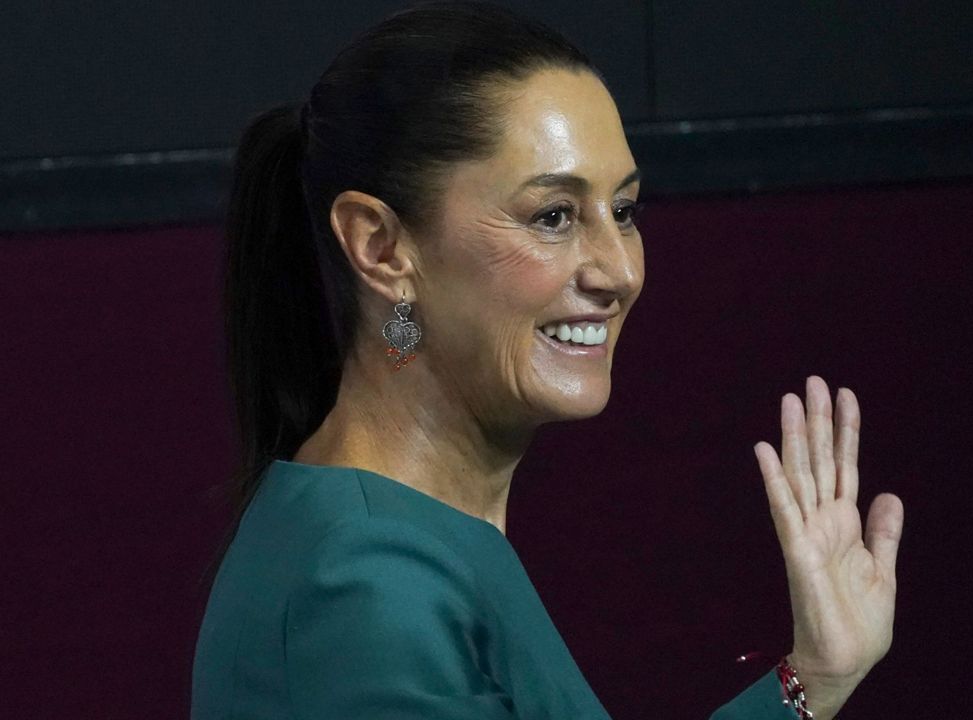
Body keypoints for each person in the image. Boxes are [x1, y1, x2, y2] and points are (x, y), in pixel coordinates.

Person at [191, 2, 905, 718]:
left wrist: (814, 677)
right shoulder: (369, 582)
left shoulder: (390, 539)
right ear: (380, 246)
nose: (618, 270)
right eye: (554, 216)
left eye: (623, 212)